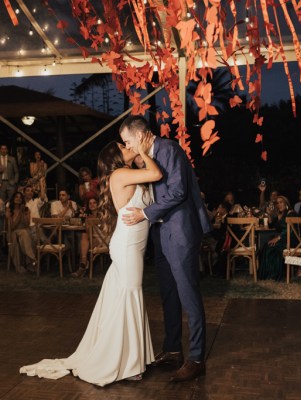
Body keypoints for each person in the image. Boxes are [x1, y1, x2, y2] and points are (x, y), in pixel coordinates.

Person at [20, 137, 161, 385]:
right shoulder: (119, 174)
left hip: (132, 244)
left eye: (127, 144)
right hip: (127, 245)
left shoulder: (127, 173)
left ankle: (130, 358)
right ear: (114, 158)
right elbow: (156, 173)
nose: (128, 147)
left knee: (124, 298)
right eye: (122, 147)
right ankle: (128, 364)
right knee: (130, 296)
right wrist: (142, 150)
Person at [119, 116, 211, 382]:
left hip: (180, 232)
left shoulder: (169, 149)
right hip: (162, 232)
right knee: (169, 293)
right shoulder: (148, 155)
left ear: (139, 135)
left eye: (127, 141)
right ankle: (172, 349)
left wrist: (144, 214)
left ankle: (195, 358)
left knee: (187, 294)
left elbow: (179, 191)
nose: (127, 146)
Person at [258, 196, 296, 280]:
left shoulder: (291, 213)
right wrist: (269, 215)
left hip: (290, 239)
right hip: (283, 238)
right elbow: (272, 225)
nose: (279, 204)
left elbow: (290, 230)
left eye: (281, 202)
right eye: (277, 203)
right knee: (266, 246)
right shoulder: (279, 214)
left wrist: (278, 238)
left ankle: (275, 274)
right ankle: (268, 274)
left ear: (286, 203)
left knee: (272, 248)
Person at [71, 197, 107, 277]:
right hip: (92, 238)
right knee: (84, 236)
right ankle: (83, 263)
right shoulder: (88, 217)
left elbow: (104, 229)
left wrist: (95, 222)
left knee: (83, 243)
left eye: (94, 203)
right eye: (90, 203)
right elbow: (88, 231)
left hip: (103, 239)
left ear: (98, 204)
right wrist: (87, 221)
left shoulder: (102, 215)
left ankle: (82, 266)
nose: (92, 205)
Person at [5, 191, 36, 273]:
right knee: (21, 234)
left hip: (24, 230)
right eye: (16, 197)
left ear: (22, 200)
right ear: (13, 199)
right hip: (12, 232)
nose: (18, 199)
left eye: (20, 197)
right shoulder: (9, 210)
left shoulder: (26, 210)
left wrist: (23, 212)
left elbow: (26, 224)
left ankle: (29, 262)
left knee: (24, 233)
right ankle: (32, 260)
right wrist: (19, 214)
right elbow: (12, 227)